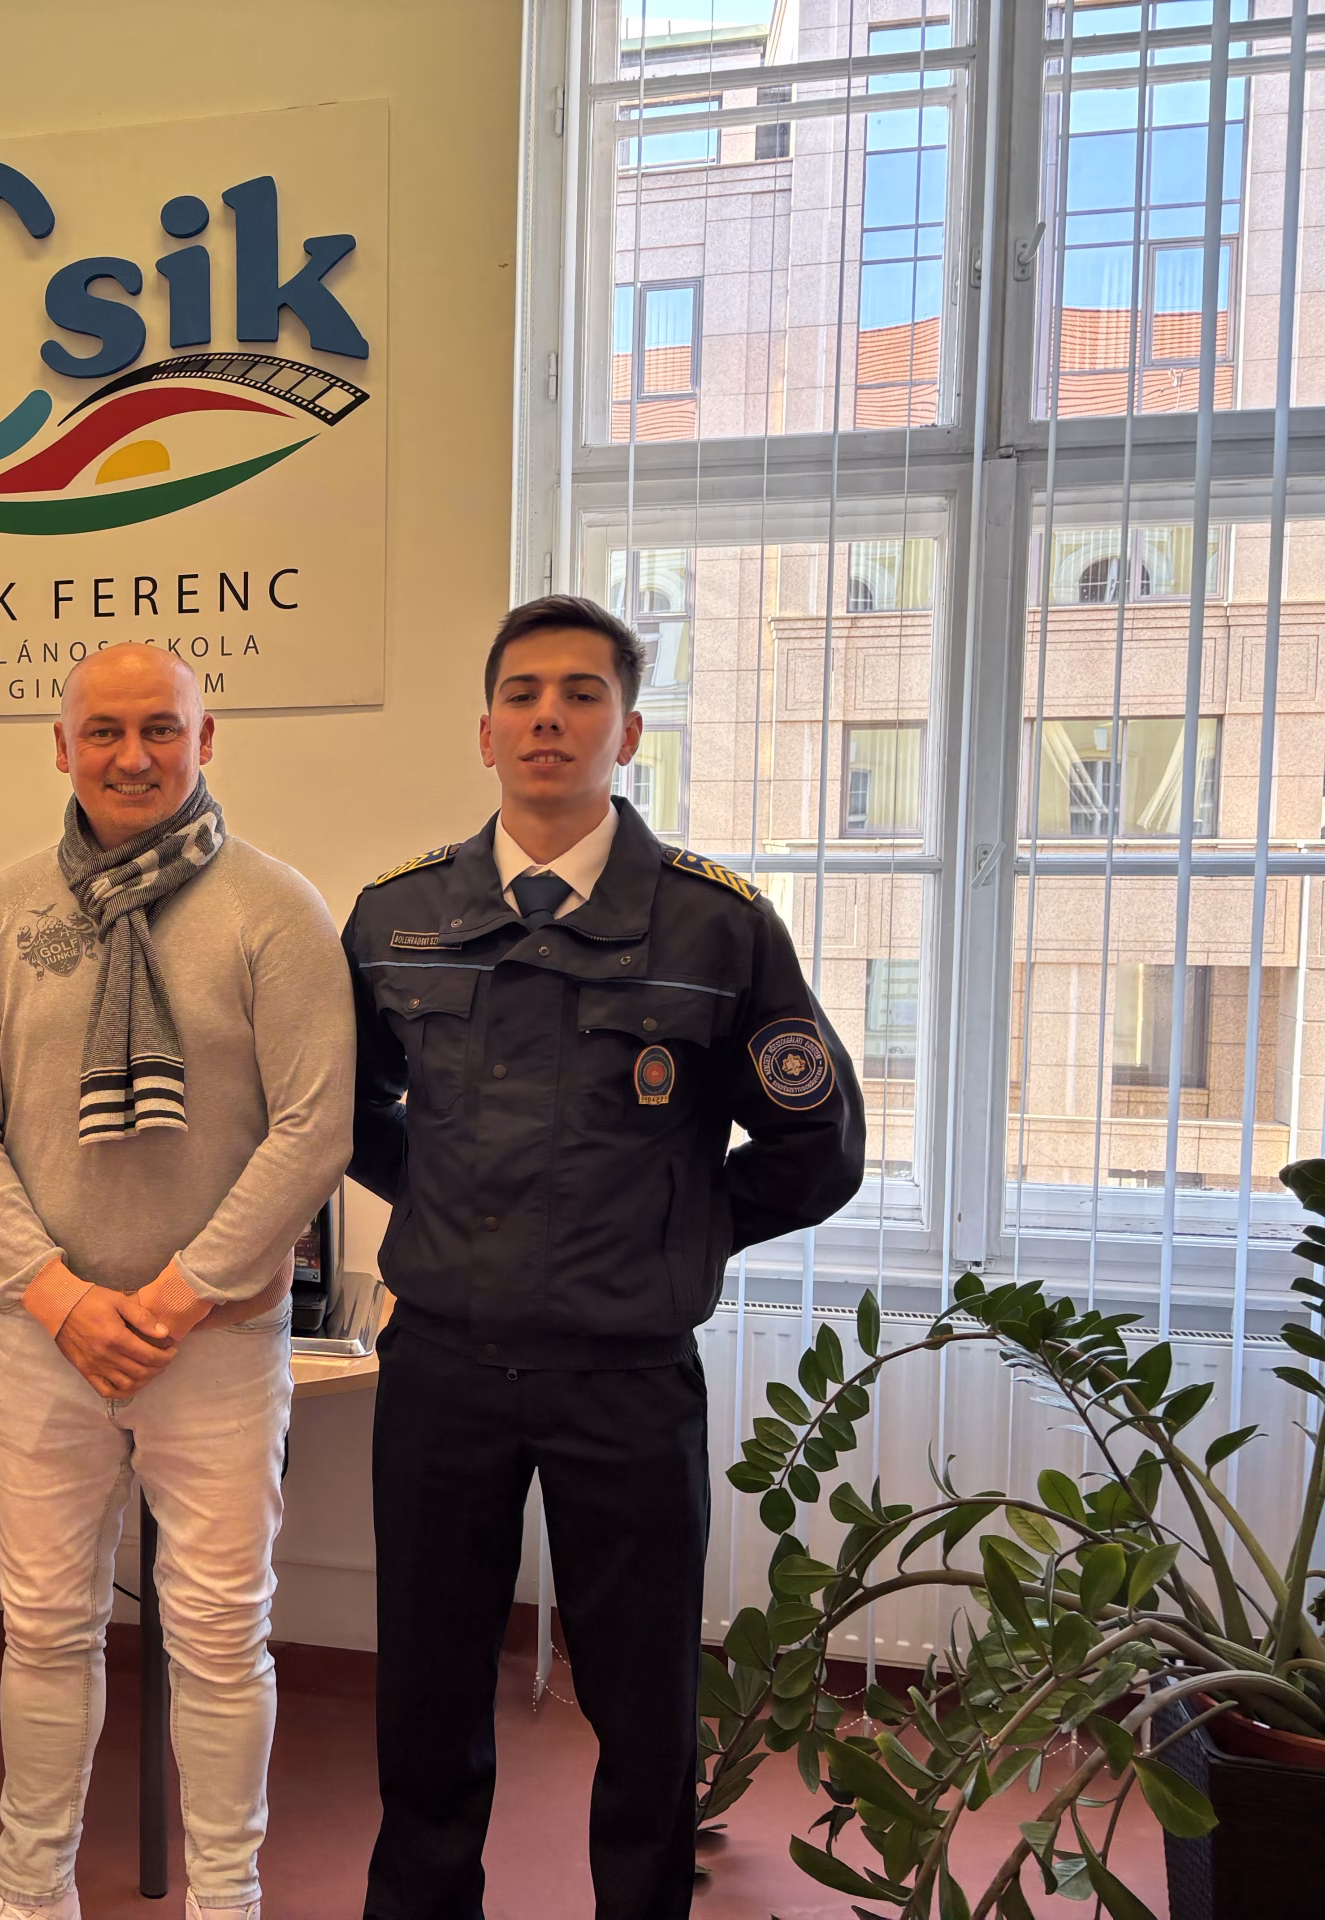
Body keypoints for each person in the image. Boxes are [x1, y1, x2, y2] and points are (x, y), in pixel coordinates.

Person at [348, 595, 866, 1920]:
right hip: (443, 1369)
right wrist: (446, 1197)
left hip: (625, 1375)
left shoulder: (716, 926)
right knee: (425, 1696)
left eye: (582, 694)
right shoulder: (396, 917)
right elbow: (342, 1110)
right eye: (522, 694)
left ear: (627, 731)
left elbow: (816, 1144)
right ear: (484, 731)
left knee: (643, 1708)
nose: (549, 717)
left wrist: (676, 1223)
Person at [0, 643, 355, 1920]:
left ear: (204, 739)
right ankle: (30, 1894)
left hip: (214, 1346)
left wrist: (177, 1298)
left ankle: (226, 1900)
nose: (132, 756)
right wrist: (59, 1298)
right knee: (44, 1632)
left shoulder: (275, 910)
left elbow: (315, 1130)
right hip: (46, 1340)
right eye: (104, 731)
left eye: (159, 729)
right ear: (60, 747)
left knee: (220, 1640)